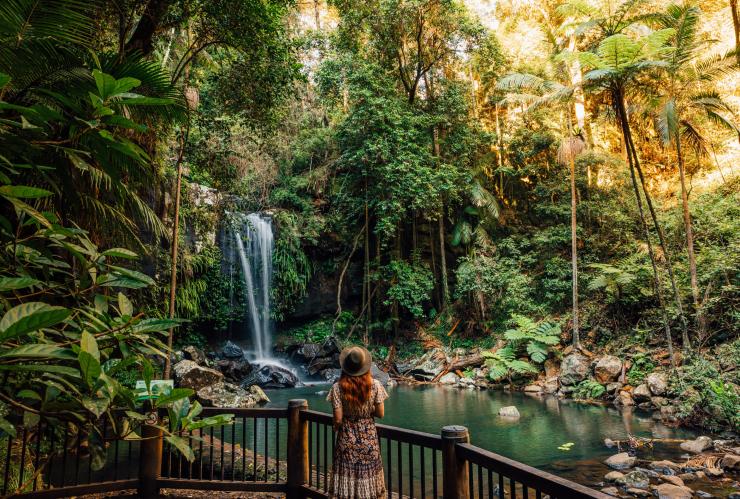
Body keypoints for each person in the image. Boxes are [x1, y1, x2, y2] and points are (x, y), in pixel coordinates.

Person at [326, 346, 388, 499]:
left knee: (347, 476)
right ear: (365, 366)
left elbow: (338, 419)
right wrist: (365, 413)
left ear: (345, 367)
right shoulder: (376, 385)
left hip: (346, 440)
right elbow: (380, 413)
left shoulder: (337, 388)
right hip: (369, 440)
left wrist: (338, 423)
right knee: (368, 476)